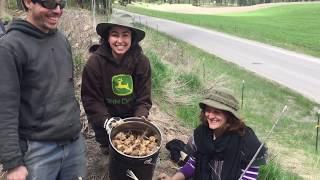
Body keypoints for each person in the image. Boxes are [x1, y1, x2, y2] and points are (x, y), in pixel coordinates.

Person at [0, 0, 86, 179]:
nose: (57, 10)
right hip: (38, 151)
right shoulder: (9, 47)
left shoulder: (61, 39)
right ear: (28, 2)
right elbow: (4, 108)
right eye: (49, 3)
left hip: (74, 145)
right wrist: (13, 162)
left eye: (61, 3)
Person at [81, 12, 152, 154]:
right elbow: (91, 99)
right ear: (107, 37)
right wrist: (107, 121)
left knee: (133, 148)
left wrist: (139, 118)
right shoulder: (94, 63)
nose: (120, 40)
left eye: (125, 35)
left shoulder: (141, 62)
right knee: (109, 148)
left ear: (132, 38)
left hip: (131, 114)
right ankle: (105, 145)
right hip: (105, 116)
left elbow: (144, 98)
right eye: (115, 34)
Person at [158, 89, 267, 180]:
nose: (210, 116)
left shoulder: (246, 142)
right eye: (208, 110)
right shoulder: (202, 134)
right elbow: (193, 163)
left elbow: (249, 177)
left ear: (229, 115)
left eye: (217, 112)